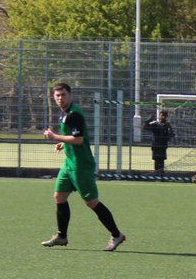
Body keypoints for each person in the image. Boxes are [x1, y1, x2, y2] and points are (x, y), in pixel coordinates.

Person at [41, 82, 126, 251]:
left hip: (81, 165)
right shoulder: (65, 113)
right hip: (69, 164)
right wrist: (63, 144)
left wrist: (55, 137)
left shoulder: (74, 114)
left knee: (91, 202)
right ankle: (62, 236)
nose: (60, 98)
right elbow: (74, 136)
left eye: (63, 95)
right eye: (57, 95)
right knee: (59, 197)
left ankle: (117, 235)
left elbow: (79, 140)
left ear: (70, 95)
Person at [143, 109, 175, 176]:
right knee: (156, 161)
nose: (162, 117)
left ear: (166, 117)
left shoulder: (167, 125)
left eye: (164, 116)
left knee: (161, 161)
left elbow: (172, 134)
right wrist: (149, 119)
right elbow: (145, 127)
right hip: (156, 146)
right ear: (159, 116)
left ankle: (161, 175)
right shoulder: (155, 124)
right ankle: (156, 175)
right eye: (161, 115)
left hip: (163, 146)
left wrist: (168, 137)